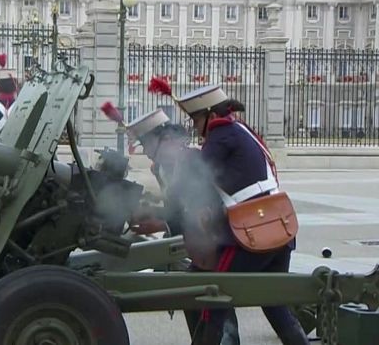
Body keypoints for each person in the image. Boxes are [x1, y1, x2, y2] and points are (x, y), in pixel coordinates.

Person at [163, 83, 308, 345]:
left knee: (214, 296)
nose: (195, 127)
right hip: (279, 226)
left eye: (197, 120)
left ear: (211, 116)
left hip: (250, 233)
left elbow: (200, 177)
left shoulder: (220, 134)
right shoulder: (240, 129)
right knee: (274, 303)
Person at [121, 108, 241, 345]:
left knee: (218, 306)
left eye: (147, 145)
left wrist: (161, 222)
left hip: (216, 242)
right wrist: (150, 213)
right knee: (192, 300)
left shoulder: (195, 161)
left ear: (168, 141)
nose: (145, 152)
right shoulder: (163, 168)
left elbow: (204, 205)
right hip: (194, 247)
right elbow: (174, 208)